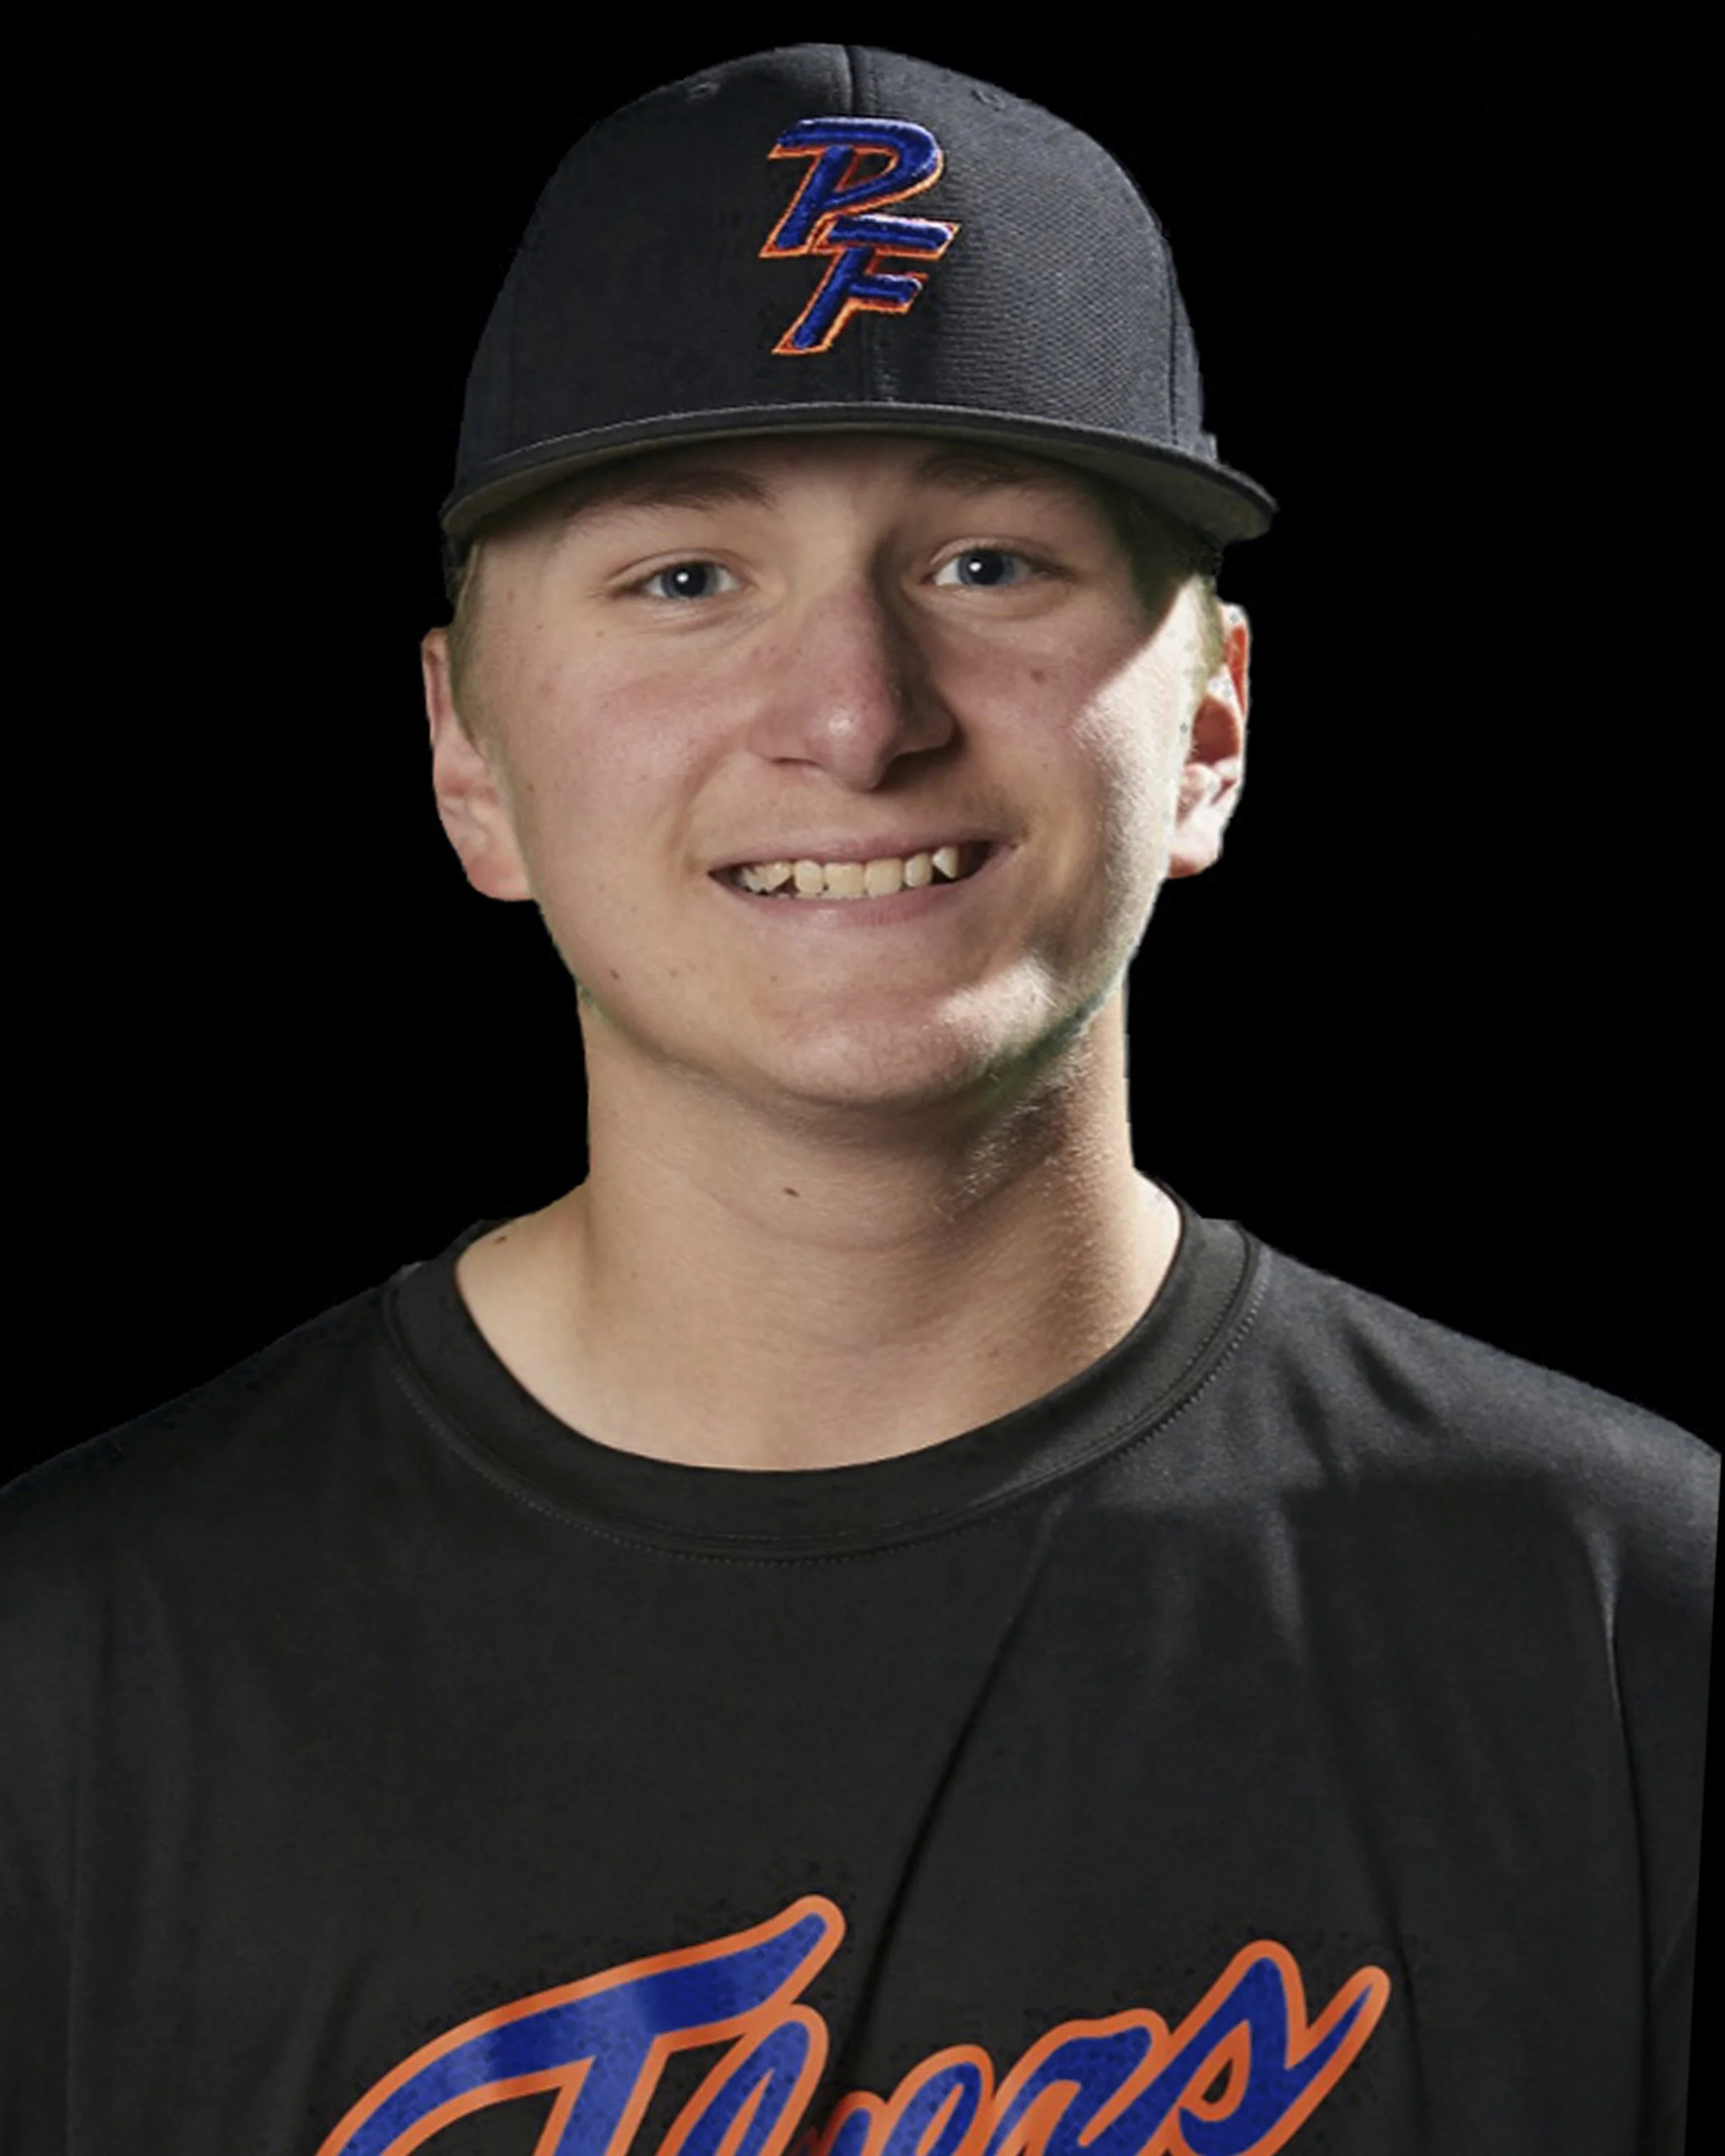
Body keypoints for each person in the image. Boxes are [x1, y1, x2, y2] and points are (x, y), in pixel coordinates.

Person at [1, 42, 1711, 2156]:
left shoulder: (1624, 1619)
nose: (855, 713)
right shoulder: (66, 1672)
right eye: (685, 580)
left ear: (1209, 728)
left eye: (990, 565)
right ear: (465, 754)